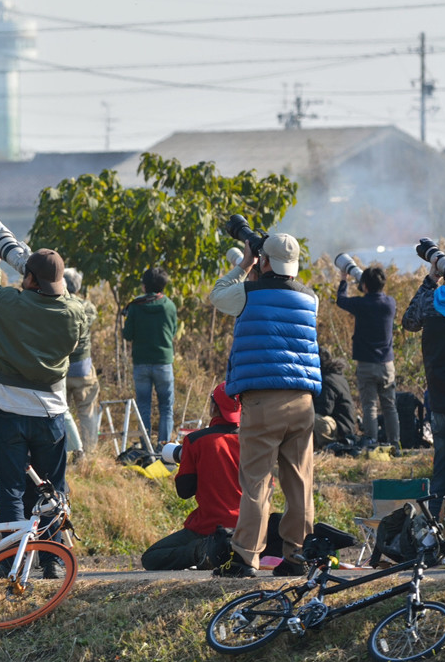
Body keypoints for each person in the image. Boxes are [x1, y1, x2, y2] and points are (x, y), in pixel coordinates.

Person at [0, 245, 86, 579]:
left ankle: (9, 559)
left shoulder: (9, 302)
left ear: (30, 277)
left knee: (11, 489)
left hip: (10, 409)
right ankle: (52, 558)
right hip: (52, 414)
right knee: (52, 488)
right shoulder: (75, 312)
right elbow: (74, 321)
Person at [209, 233, 320, 578]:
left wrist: (244, 264)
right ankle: (297, 555)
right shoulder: (310, 298)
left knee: (257, 482)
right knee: (299, 481)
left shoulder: (247, 293)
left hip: (261, 400)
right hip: (302, 401)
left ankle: (245, 557)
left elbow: (217, 296)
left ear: (264, 260)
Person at [141, 383, 241, 571]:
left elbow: (184, 491)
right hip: (250, 528)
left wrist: (189, 459)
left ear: (213, 408)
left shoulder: (196, 440)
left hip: (210, 527)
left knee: (151, 558)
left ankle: (202, 552)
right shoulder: (256, 440)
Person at [402, 258, 445, 516]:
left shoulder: (430, 301)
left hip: (441, 398)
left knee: (441, 468)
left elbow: (409, 322)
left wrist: (429, 282)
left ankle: (436, 530)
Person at [336, 266, 400, 447]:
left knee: (369, 406)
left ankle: (372, 443)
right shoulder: (390, 303)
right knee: (390, 406)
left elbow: (341, 300)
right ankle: (395, 444)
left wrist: (344, 279)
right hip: (387, 364)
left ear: (364, 285)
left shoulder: (361, 304)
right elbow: (377, 295)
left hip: (366, 365)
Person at [122, 267, 178, 446]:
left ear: (144, 286)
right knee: (166, 408)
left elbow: (127, 335)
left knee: (143, 407)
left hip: (141, 363)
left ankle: (146, 447)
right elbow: (173, 331)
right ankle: (163, 449)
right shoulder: (169, 305)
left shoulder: (136, 307)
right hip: (163, 363)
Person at [63, 268, 101, 455]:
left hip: (60, 370)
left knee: (61, 413)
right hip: (83, 369)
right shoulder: (87, 308)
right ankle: (89, 452)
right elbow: (92, 316)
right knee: (87, 411)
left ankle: (66, 450)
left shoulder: (57, 305)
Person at [313, 347, 357, 449]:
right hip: (346, 427)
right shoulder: (337, 376)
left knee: (311, 418)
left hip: (340, 429)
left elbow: (324, 409)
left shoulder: (328, 380)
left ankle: (321, 447)